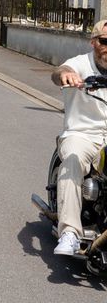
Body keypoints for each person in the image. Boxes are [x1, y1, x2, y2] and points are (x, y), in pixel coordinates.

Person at [50, 19, 107, 256]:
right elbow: (58, 72)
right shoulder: (80, 64)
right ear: (93, 42)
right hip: (82, 134)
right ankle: (70, 233)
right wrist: (67, 75)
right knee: (72, 161)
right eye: (104, 41)